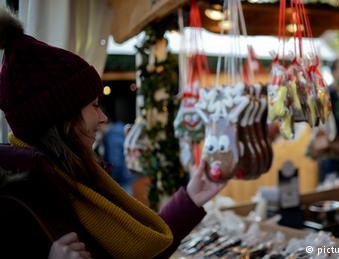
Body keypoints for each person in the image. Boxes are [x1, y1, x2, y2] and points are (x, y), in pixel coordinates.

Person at [0, 8, 225, 259]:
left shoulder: (72, 178)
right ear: (62, 117)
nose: (103, 117)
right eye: (95, 106)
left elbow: (133, 251)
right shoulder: (19, 201)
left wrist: (192, 198)